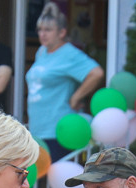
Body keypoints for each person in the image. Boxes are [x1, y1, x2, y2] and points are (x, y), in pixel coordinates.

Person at [25, 2, 104, 162]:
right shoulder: (42, 52)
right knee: (31, 182)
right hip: (37, 130)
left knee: (58, 182)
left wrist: (76, 97)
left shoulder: (70, 54)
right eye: (40, 29)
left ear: (62, 32)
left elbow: (96, 73)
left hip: (58, 131)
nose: (42, 34)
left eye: (48, 30)